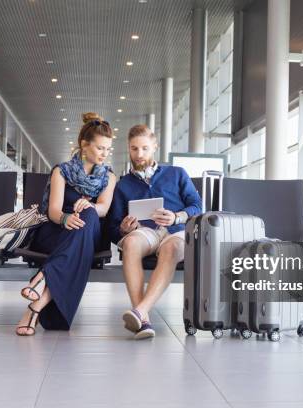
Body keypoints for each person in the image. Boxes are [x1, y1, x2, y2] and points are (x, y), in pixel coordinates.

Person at [16, 112, 116, 336]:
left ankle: (41, 285)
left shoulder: (109, 177)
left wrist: (88, 206)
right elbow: (53, 211)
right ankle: (36, 306)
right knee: (78, 244)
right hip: (55, 231)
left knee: (90, 216)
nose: (104, 154)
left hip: (88, 233)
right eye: (100, 148)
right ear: (84, 145)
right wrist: (65, 218)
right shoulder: (61, 171)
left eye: (107, 149)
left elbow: (103, 208)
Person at [108, 124, 202, 339]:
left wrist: (176, 216)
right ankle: (143, 319)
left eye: (144, 148)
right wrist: (123, 229)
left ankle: (140, 313)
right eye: (134, 149)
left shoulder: (176, 173)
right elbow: (112, 228)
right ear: (129, 149)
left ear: (154, 147)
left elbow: (197, 205)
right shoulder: (123, 185)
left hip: (176, 229)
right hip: (145, 232)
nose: (139, 154)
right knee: (131, 243)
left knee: (172, 247)